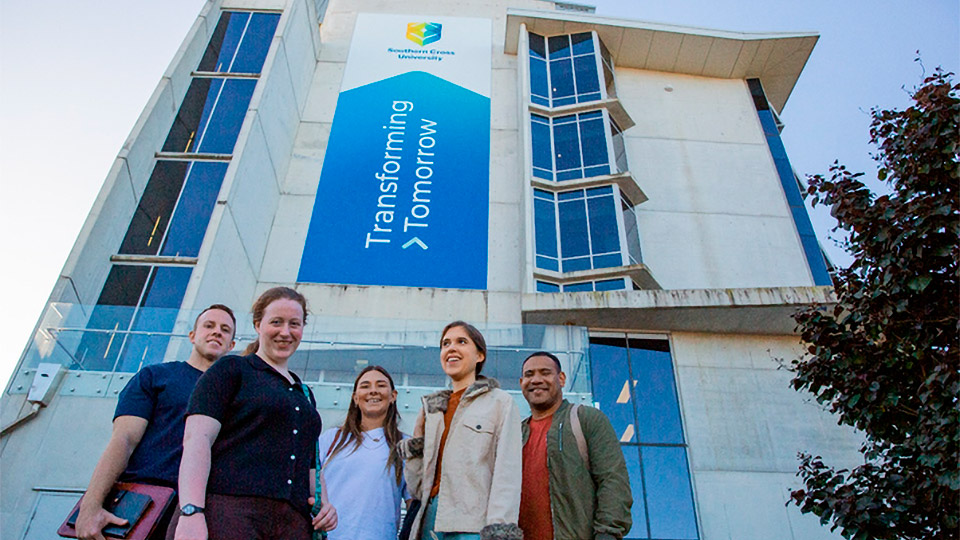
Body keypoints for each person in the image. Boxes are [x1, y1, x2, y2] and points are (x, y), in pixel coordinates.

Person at [172, 287, 337, 540]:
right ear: (258, 324)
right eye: (276, 322)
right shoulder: (231, 369)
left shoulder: (304, 393)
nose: (286, 332)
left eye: (295, 323)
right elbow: (197, 440)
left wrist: (324, 504)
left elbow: (311, 464)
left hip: (292, 524)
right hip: (232, 514)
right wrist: (191, 511)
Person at [75, 304, 237, 540]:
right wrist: (90, 505)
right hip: (142, 501)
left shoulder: (236, 396)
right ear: (192, 335)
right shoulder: (154, 377)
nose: (217, 332)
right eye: (209, 326)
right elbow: (124, 439)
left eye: (225, 329)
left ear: (232, 345)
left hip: (201, 510)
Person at [398, 321, 523, 540]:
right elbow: (418, 489)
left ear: (480, 355)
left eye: (461, 342)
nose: (451, 348)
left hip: (473, 527)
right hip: (430, 523)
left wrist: (499, 530)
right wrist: (417, 445)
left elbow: (507, 475)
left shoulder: (500, 403)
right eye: (445, 344)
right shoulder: (433, 409)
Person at [518, 352, 632, 540]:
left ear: (561, 379)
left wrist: (608, 533)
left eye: (545, 373)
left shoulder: (586, 419)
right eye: (529, 375)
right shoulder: (515, 434)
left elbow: (613, 480)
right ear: (521, 382)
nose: (536, 380)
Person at [318, 365, 411, 539]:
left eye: (381, 385)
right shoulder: (330, 439)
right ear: (355, 397)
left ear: (393, 396)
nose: (373, 391)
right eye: (365, 386)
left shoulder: (404, 447)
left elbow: (414, 507)